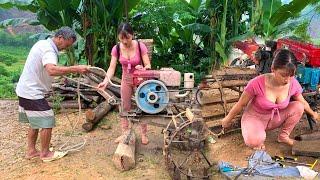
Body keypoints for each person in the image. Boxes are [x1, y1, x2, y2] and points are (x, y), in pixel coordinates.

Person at [16, 26, 89, 162]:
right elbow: (51, 70)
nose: (65, 48)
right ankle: (45, 153)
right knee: (47, 119)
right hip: (32, 92)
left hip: (24, 90)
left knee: (35, 121)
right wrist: (76, 68)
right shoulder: (49, 50)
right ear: (60, 38)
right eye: (66, 45)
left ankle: (31, 151)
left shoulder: (42, 44)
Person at [221, 49, 319, 150]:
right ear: (273, 69)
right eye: (283, 75)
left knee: (299, 106)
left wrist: (313, 114)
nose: (287, 80)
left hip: (275, 119)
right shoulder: (256, 83)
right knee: (255, 141)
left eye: (291, 75)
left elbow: (302, 101)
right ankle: (256, 134)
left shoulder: (292, 83)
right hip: (255, 118)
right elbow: (241, 104)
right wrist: (227, 119)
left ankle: (283, 137)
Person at [97, 22, 151, 145]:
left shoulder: (140, 46)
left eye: (128, 37)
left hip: (140, 79)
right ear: (118, 37)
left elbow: (148, 65)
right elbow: (111, 68)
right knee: (125, 106)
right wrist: (105, 82)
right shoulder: (116, 48)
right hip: (126, 79)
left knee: (143, 105)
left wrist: (143, 69)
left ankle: (144, 134)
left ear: (132, 35)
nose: (125, 41)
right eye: (122, 38)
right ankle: (125, 133)